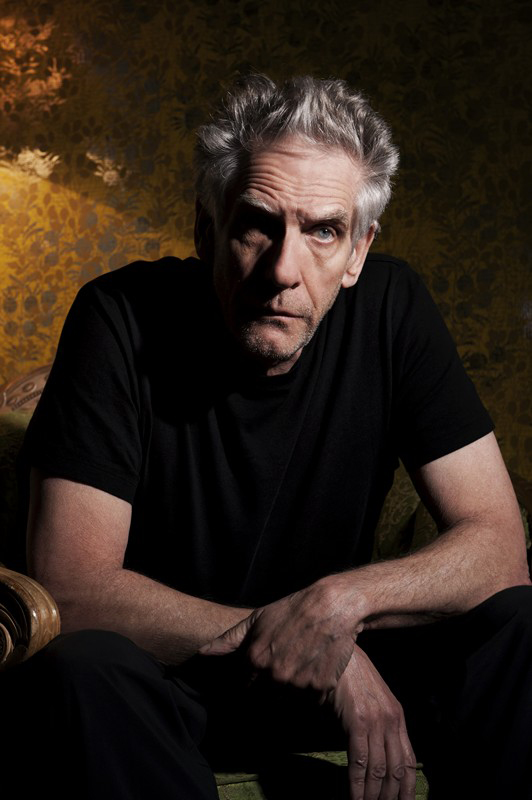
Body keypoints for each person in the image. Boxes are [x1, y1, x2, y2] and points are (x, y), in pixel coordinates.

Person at [6, 74, 532, 800]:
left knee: (519, 624)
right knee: (80, 668)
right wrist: (312, 648)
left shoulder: (393, 307)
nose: (284, 269)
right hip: (175, 683)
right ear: (207, 229)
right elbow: (72, 586)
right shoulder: (118, 315)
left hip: (340, 663)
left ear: (358, 251)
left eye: (324, 231)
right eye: (257, 224)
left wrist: (336, 609)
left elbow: (499, 548)